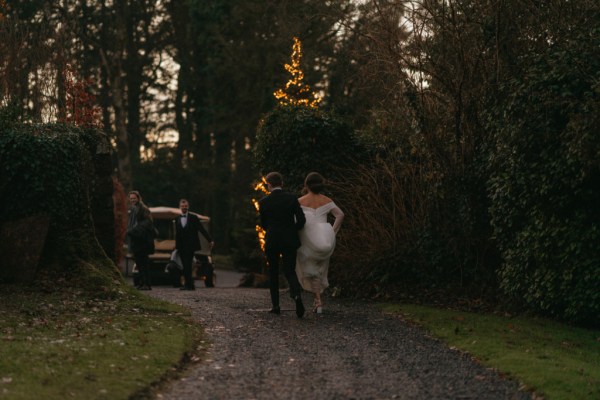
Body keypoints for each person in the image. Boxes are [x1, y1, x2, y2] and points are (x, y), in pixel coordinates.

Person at [258, 172, 306, 318]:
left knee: (273, 272)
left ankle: (276, 306)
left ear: (269, 184)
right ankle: (297, 295)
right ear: (282, 183)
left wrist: (273, 230)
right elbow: (302, 221)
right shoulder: (292, 199)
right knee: (290, 270)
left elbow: (264, 224)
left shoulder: (263, 202)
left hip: (272, 240)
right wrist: (291, 229)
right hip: (289, 240)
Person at [296, 172, 344, 314]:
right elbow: (340, 215)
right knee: (319, 269)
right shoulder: (326, 200)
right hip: (324, 240)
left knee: (310, 269)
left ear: (306, 185)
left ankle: (318, 302)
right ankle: (318, 301)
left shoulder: (300, 201)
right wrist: (332, 232)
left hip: (307, 240)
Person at [175, 198, 214, 290]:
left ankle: (189, 285)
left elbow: (201, 229)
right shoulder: (177, 219)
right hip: (181, 247)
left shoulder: (193, 218)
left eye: (185, 206)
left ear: (188, 207)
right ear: (179, 207)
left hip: (190, 246)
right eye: (182, 206)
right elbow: (177, 234)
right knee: (184, 265)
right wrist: (176, 246)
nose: (184, 207)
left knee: (188, 265)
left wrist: (210, 240)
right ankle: (188, 284)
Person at [126, 201, 157, 290]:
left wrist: (129, 232)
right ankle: (143, 283)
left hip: (142, 247)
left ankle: (146, 284)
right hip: (141, 247)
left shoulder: (145, 222)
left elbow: (138, 233)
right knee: (140, 266)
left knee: (143, 266)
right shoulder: (144, 222)